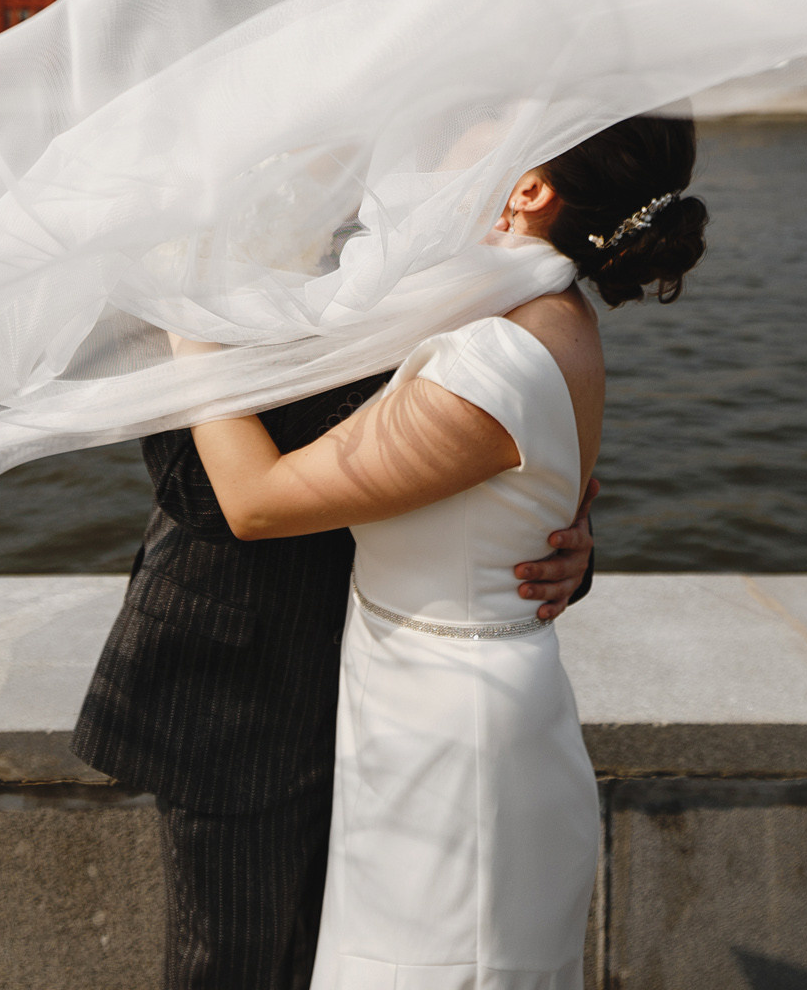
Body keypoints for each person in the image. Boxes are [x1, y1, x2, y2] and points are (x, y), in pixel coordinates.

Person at [78, 114, 705, 989]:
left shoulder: (495, 319)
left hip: (422, 714)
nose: (456, 132)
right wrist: (182, 301)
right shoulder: (364, 259)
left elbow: (481, 452)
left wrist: (194, 334)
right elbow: (197, 489)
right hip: (245, 688)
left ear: (528, 190)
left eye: (497, 121)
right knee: (240, 966)